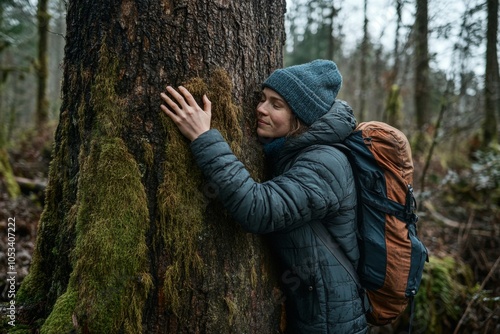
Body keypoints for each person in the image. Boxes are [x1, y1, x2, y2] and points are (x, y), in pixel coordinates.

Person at [160, 60, 368, 333]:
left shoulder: (325, 163)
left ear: (301, 118)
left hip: (333, 322)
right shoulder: (292, 153)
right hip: (313, 312)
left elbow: (259, 209)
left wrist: (204, 137)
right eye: (263, 99)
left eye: (276, 104)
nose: (260, 108)